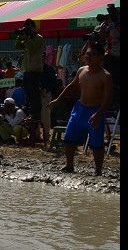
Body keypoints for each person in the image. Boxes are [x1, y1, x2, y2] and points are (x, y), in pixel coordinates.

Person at [47, 41, 113, 176]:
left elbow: (108, 99)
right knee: (69, 138)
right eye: (87, 54)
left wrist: (99, 114)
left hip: (95, 111)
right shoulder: (81, 70)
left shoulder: (105, 76)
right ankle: (69, 165)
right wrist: (58, 99)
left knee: (96, 143)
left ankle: (98, 170)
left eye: (92, 55)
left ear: (100, 57)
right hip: (79, 109)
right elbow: (72, 86)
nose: (88, 57)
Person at [14, 19, 45, 120]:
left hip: (35, 70)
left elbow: (31, 48)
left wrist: (26, 38)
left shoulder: (38, 38)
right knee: (28, 93)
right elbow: (17, 46)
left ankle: (36, 114)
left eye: (29, 27)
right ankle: (29, 111)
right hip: (27, 70)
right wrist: (20, 36)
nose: (27, 29)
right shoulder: (28, 38)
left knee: (34, 94)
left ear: (34, 28)